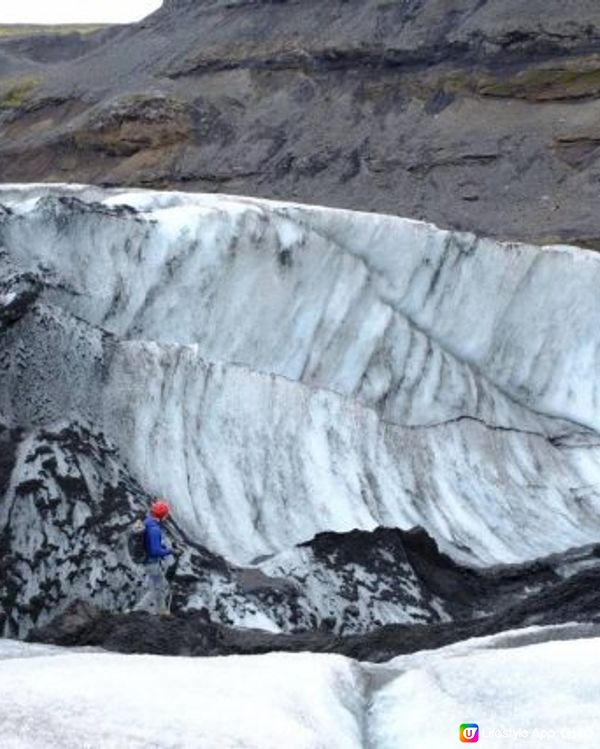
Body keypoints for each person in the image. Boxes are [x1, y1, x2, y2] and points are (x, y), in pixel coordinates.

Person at [136, 499, 174, 617]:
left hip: (147, 561)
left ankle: (161, 611)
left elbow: (151, 544)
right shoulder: (155, 529)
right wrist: (170, 551)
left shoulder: (148, 522)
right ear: (163, 515)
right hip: (152, 562)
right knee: (158, 587)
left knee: (159, 586)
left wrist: (162, 546)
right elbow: (155, 551)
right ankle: (138, 610)